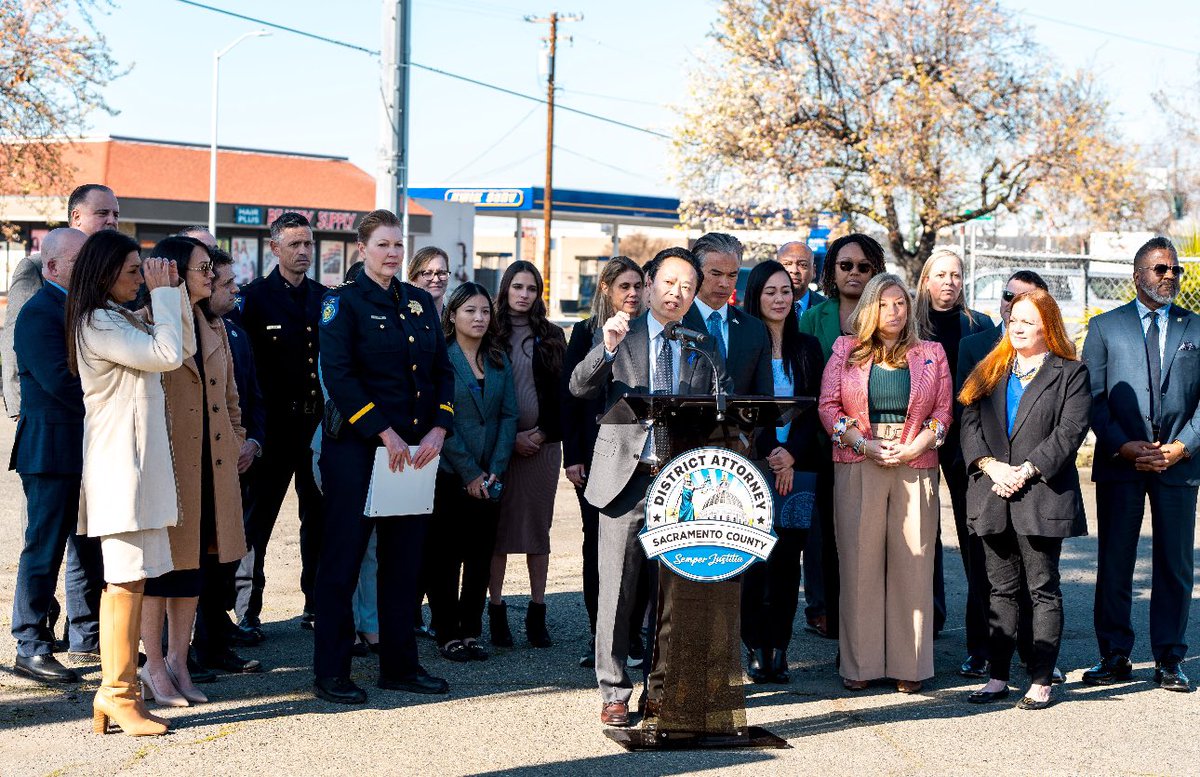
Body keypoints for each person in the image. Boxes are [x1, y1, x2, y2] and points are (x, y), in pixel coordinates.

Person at [569, 247, 718, 727]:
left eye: (688, 287)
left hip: (679, 484)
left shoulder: (702, 343)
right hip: (625, 480)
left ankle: (666, 687)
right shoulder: (620, 332)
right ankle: (613, 691)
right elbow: (579, 386)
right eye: (670, 283)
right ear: (650, 283)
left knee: (673, 591)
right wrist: (607, 348)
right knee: (616, 589)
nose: (677, 294)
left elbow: (720, 407)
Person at [312, 208, 453, 705]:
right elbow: (341, 377)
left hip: (414, 453)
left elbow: (441, 370)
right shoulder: (342, 304)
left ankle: (400, 666)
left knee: (403, 563)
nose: (392, 253)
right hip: (358, 452)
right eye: (383, 245)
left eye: (398, 245)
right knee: (343, 562)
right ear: (362, 249)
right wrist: (384, 432)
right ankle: (331, 672)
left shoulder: (418, 301)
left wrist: (439, 426)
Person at [66, 230, 193, 736]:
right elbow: (165, 354)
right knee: (122, 580)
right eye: (133, 271)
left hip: (137, 470)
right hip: (120, 470)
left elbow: (178, 346)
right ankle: (117, 693)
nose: (142, 279)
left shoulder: (117, 317)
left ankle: (117, 694)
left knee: (135, 578)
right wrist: (161, 296)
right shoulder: (97, 321)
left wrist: (173, 291)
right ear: (104, 273)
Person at [818, 273, 951, 694]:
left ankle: (910, 665)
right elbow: (828, 406)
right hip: (859, 457)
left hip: (916, 460)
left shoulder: (932, 352)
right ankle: (861, 664)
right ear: (869, 309)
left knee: (914, 565)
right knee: (859, 564)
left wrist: (915, 448)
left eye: (901, 303)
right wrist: (862, 443)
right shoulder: (845, 349)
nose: (894, 311)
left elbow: (943, 413)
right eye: (885, 304)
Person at [959, 289, 1090, 710]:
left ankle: (1040, 679)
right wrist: (990, 465)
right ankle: (997, 677)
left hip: (1041, 494)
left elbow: (1069, 433)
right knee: (1000, 590)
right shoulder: (989, 368)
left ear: (1047, 326)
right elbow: (969, 422)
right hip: (992, 491)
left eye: (1028, 321)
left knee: (1043, 589)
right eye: (1014, 318)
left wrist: (1026, 470)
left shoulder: (1071, 372)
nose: (1018, 327)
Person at [3, 185, 118, 657]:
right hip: (50, 448)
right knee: (44, 548)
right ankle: (30, 642)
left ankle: (87, 637)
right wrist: (114, 402)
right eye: (78, 262)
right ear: (51, 267)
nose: (89, 269)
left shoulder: (85, 307)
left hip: (88, 447)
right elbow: (58, 380)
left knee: (90, 548)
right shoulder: (37, 311)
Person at [1082, 236, 1200, 693]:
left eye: (1175, 270)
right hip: (1121, 463)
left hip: (1178, 464)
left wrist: (1182, 447)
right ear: (1137, 275)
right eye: (1159, 269)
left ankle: (1170, 658)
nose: (1169, 276)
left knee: (1174, 564)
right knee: (1116, 561)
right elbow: (1091, 397)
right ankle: (1114, 655)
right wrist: (1123, 446)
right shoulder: (1104, 327)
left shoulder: (1195, 328)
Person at [139, 238, 247, 707]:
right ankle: (153, 665)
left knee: (194, 570)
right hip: (170, 467)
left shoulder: (215, 324)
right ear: (176, 272)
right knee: (161, 572)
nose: (211, 274)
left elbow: (230, 398)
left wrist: (238, 437)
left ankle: (181, 661)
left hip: (213, 463)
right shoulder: (146, 320)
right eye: (203, 267)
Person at [232, 211, 326, 635]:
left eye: (308, 244)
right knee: (256, 522)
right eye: (295, 245)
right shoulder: (252, 300)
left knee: (319, 518)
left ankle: (317, 603)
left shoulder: (327, 299)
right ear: (275, 248)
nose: (304, 251)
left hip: (315, 428)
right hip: (271, 430)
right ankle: (247, 611)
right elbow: (242, 374)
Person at [740, 260, 824, 684]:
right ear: (756, 295)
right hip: (755, 465)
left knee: (788, 561)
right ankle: (755, 644)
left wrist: (791, 454)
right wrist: (773, 451)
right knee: (755, 559)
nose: (779, 299)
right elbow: (746, 409)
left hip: (800, 468)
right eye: (770, 291)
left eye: (786, 291)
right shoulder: (745, 344)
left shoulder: (807, 346)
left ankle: (779, 647)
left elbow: (814, 408)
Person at [561, 256, 648, 669]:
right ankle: (601, 636)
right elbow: (573, 398)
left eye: (637, 286)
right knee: (596, 547)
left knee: (639, 551)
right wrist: (573, 456)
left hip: (639, 455)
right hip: (596, 456)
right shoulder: (585, 332)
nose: (632, 294)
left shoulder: (651, 332)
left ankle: (632, 638)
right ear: (607, 290)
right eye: (623, 287)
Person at [799, 233, 887, 640]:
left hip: (876, 444)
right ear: (832, 271)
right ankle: (823, 608)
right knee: (822, 533)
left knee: (867, 533)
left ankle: (866, 611)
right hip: (821, 440)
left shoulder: (888, 313)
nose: (854, 273)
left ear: (875, 271)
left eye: (863, 267)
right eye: (845, 265)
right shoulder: (814, 318)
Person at [913, 246, 996, 671]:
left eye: (957, 275)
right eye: (941, 274)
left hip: (966, 443)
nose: (949, 282)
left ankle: (980, 642)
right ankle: (923, 624)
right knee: (921, 535)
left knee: (974, 540)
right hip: (919, 440)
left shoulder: (979, 325)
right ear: (926, 279)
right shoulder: (910, 322)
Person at [428, 282, 517, 663]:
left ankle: (471, 632)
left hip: (492, 476)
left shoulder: (498, 359)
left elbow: (509, 415)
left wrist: (494, 469)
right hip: (451, 475)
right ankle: (447, 632)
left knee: (480, 558)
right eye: (470, 311)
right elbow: (440, 423)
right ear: (452, 315)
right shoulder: (441, 359)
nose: (479, 318)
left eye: (485, 311)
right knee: (445, 557)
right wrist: (470, 474)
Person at [186, 249, 265, 675]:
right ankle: (184, 654)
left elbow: (249, 396)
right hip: (199, 468)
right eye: (227, 283)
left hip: (236, 464)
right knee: (193, 564)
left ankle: (216, 645)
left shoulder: (233, 333)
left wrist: (250, 441)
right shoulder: (181, 333)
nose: (236, 289)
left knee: (225, 559)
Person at [488, 261, 566, 648]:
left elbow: (564, 396)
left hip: (543, 449)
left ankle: (537, 614)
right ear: (505, 290)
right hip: (501, 449)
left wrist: (540, 433)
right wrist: (510, 438)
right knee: (498, 533)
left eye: (531, 288)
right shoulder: (491, 331)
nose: (523, 294)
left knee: (538, 531)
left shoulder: (552, 335)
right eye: (517, 286)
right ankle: (497, 612)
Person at [407, 246, 452, 639]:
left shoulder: (455, 317)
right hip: (412, 438)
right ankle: (409, 610)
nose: (435, 279)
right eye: (427, 272)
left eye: (442, 273)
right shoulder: (406, 313)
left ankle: (440, 614)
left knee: (439, 534)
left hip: (448, 438)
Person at [683, 232, 772, 396]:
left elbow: (764, 399)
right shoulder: (677, 323)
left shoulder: (755, 330)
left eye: (732, 275)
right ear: (695, 272)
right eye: (716, 274)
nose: (724, 283)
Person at [777, 241, 825, 317]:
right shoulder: (763, 306)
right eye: (787, 264)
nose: (794, 270)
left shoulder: (827, 308)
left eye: (803, 265)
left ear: (814, 271)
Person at [408, 246, 451, 316]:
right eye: (428, 273)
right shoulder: (402, 320)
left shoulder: (454, 322)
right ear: (413, 278)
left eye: (442, 273)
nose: (436, 279)